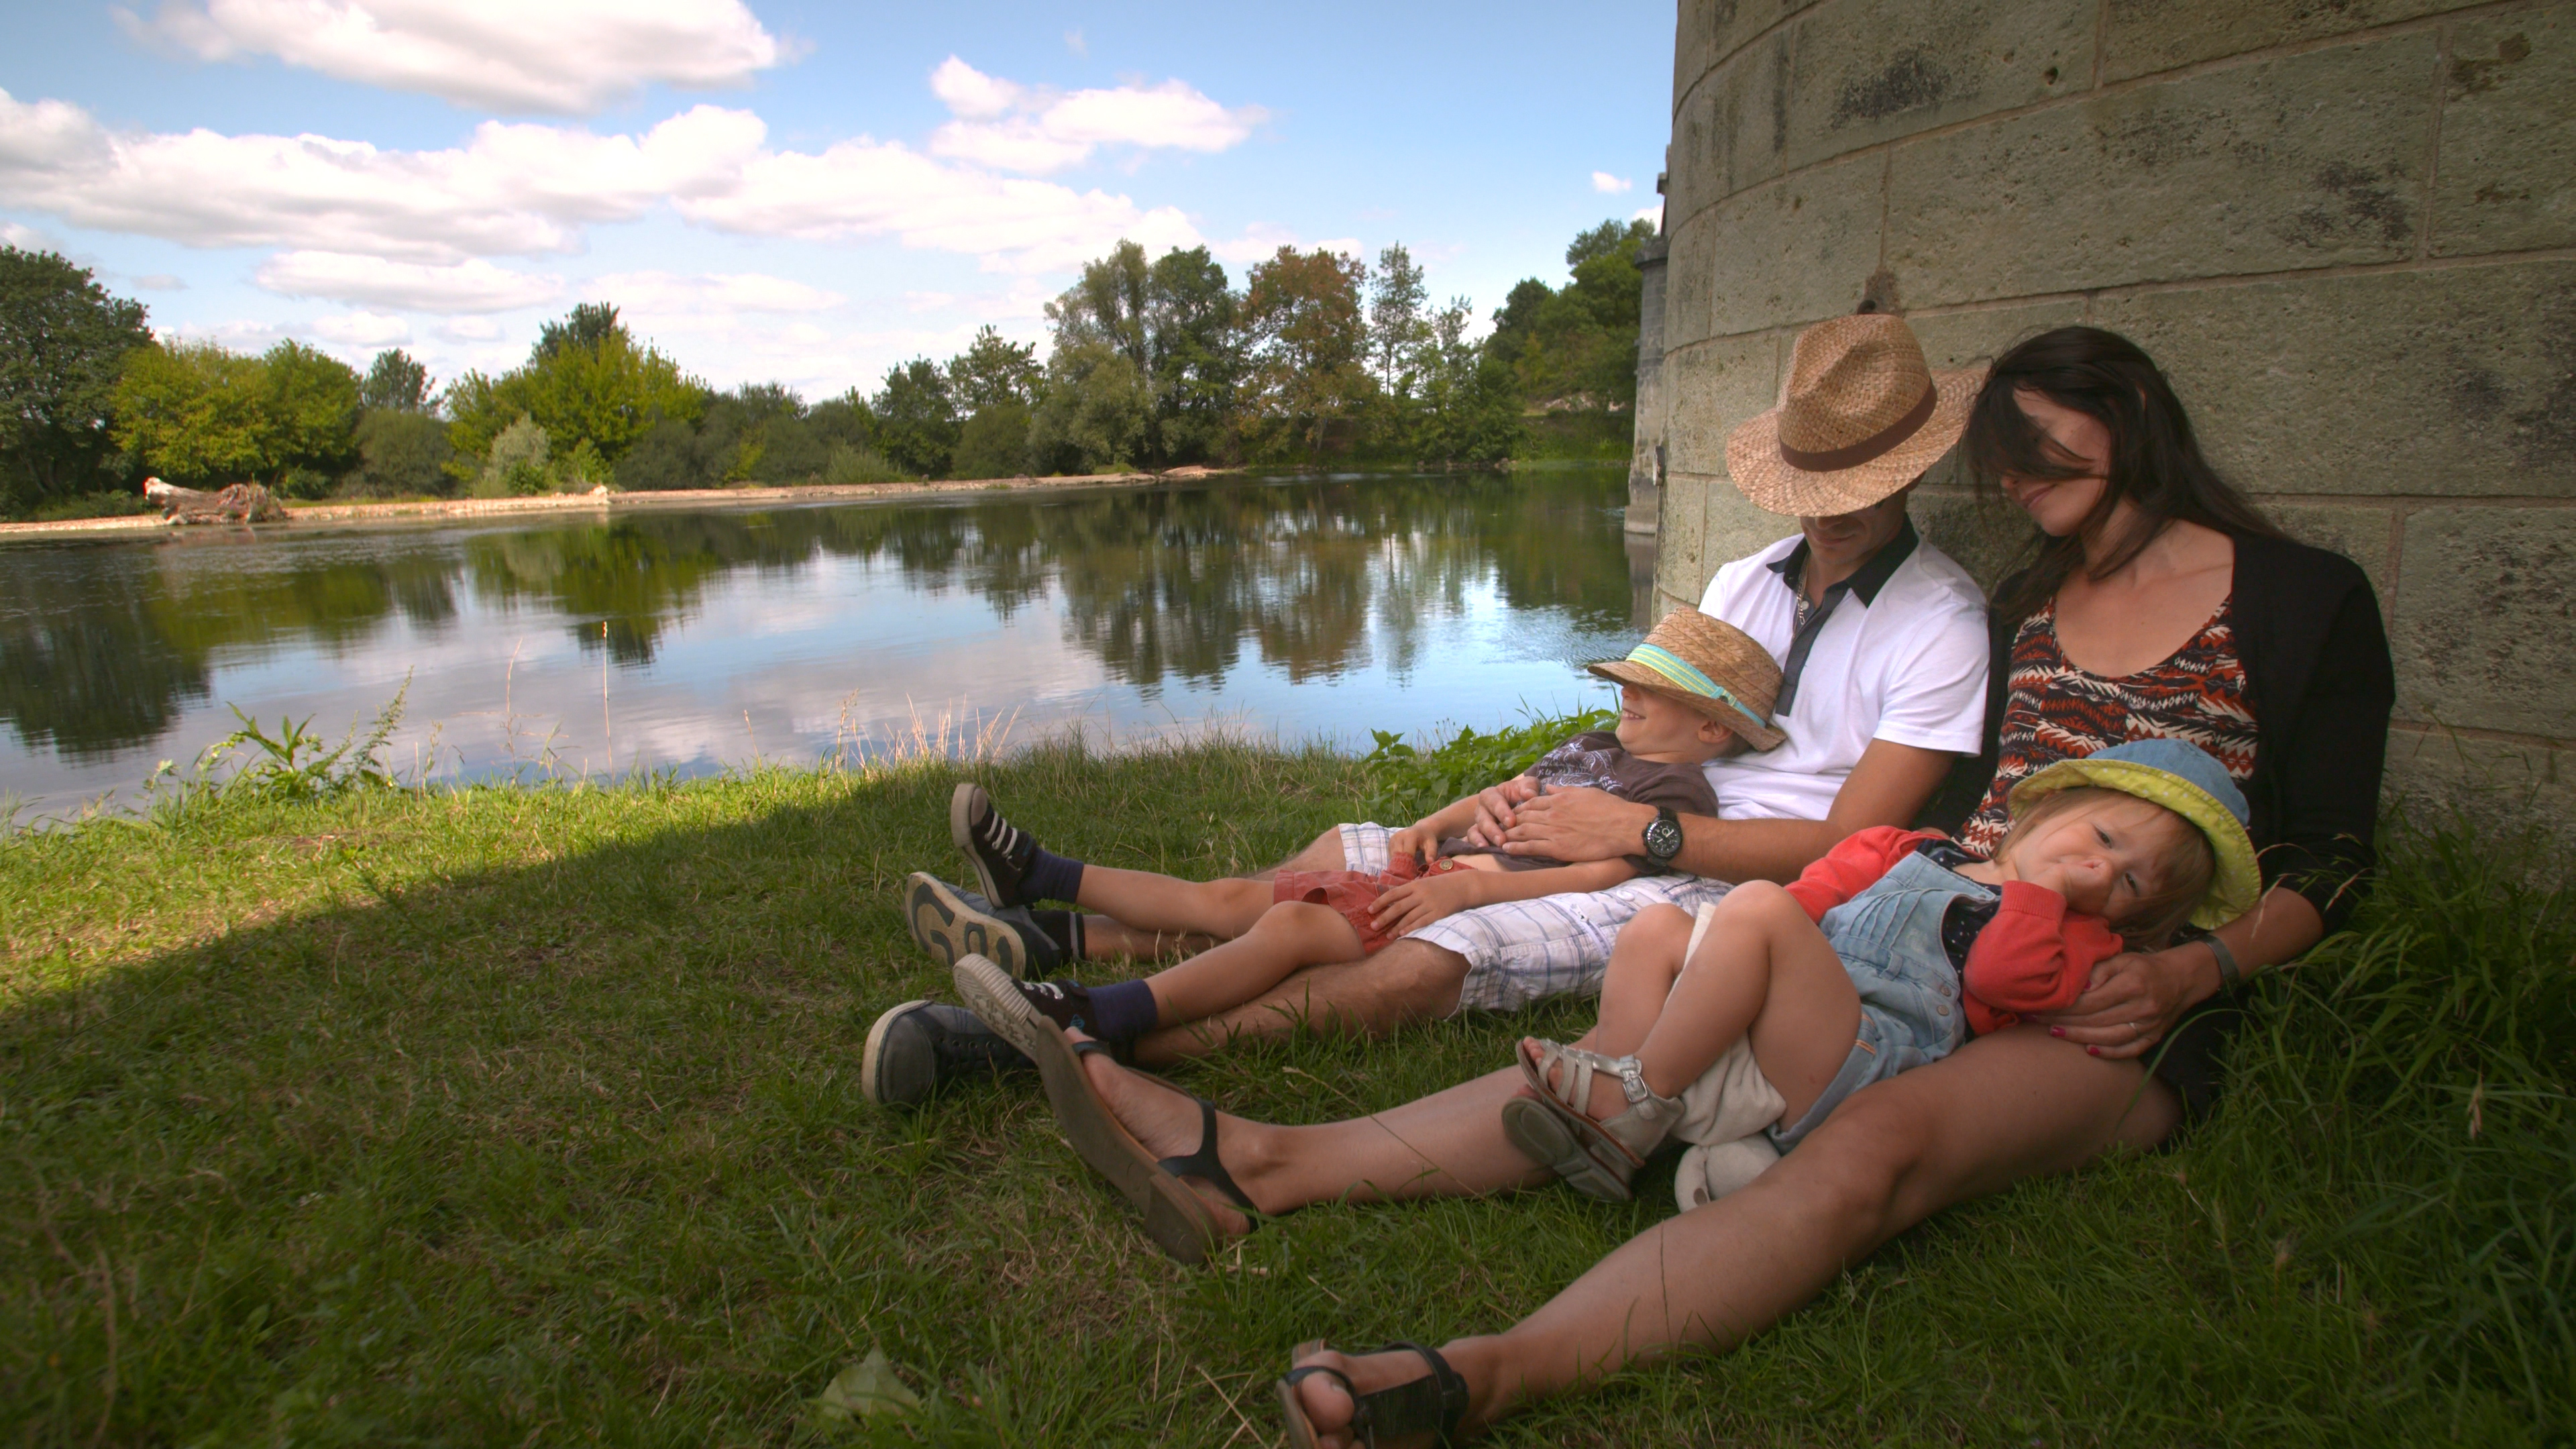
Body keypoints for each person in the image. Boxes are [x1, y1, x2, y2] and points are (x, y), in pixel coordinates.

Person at [1032, 323, 2392, 1446]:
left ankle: (1487, 1372)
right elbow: (1917, 814)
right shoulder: (2025, 603)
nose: (2024, 487)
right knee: (1626, 1054)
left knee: (1878, 1149)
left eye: (2046, 461)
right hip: (1928, 925)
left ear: (2138, 419)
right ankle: (1258, 1165)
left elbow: (2331, 852)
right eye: (2011, 467)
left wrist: (2192, 969)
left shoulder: (2298, 599)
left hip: (2106, 992)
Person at [867, 312, 1994, 1102]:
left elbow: (1859, 840)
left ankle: (1063, 1039)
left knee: (1421, 957)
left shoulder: (1940, 619)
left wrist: (1643, 832)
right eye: (1813, 489)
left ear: (1911, 469)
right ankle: (1054, 931)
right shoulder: (1750, 577)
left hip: (1725, 873)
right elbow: (1653, 717)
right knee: (1332, 867)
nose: (1829, 516)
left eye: (1855, 491)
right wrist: (1525, 793)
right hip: (1615, 814)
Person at [905, 608, 1779, 1077]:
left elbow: (1607, 869)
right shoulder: (1594, 749)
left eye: (1653, 694)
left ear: (1710, 732)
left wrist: (1461, 889)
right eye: (1631, 683)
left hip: (1432, 897)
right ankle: (1040, 877)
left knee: (1284, 934)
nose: (1629, 697)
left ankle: (1101, 1012)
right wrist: (1426, 832)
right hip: (1424, 868)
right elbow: (1496, 794)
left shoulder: (1675, 791)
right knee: (1229, 901)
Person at [1504, 738, 2255, 1208]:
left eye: (2128, 884)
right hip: (1797, 1021)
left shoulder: (2074, 940)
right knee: (1657, 927)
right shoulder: (1914, 848)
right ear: (2049, 807)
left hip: (1870, 1057)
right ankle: (1621, 1106)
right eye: (2101, 837)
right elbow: (1813, 899)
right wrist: (1719, 963)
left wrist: (2036, 895)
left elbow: (2000, 979)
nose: (2098, 871)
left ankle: (1638, 1101)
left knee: (1760, 909)